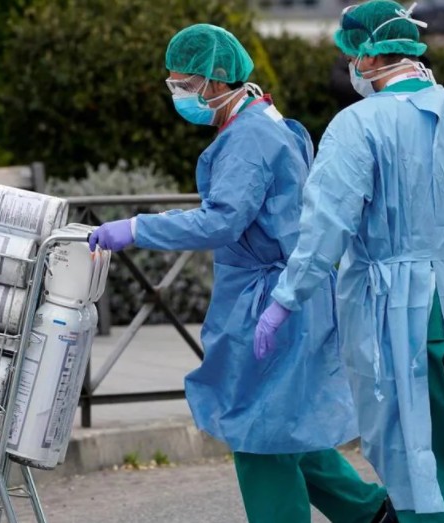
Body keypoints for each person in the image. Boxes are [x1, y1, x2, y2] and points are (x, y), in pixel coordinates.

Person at [88, 23, 393, 523]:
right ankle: (372, 513)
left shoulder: (248, 137)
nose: (178, 93)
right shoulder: (265, 119)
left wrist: (138, 228)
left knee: (258, 433)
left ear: (215, 80)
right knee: (286, 423)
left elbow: (222, 220)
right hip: (287, 291)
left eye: (185, 83)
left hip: (269, 300)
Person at [255, 1, 444, 521]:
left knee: (411, 458)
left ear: (372, 57)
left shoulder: (357, 125)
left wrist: (285, 300)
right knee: (442, 450)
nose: (351, 66)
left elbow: (325, 227)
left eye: (352, 55)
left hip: (398, 313)